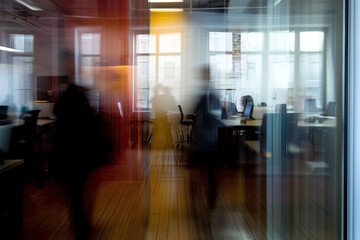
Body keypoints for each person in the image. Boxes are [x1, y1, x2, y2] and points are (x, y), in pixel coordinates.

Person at [53, 50, 107, 239]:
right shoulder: (76, 95)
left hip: (76, 152)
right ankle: (81, 225)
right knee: (78, 192)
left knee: (77, 192)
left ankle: (81, 225)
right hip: (78, 152)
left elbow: (64, 127)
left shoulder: (72, 94)